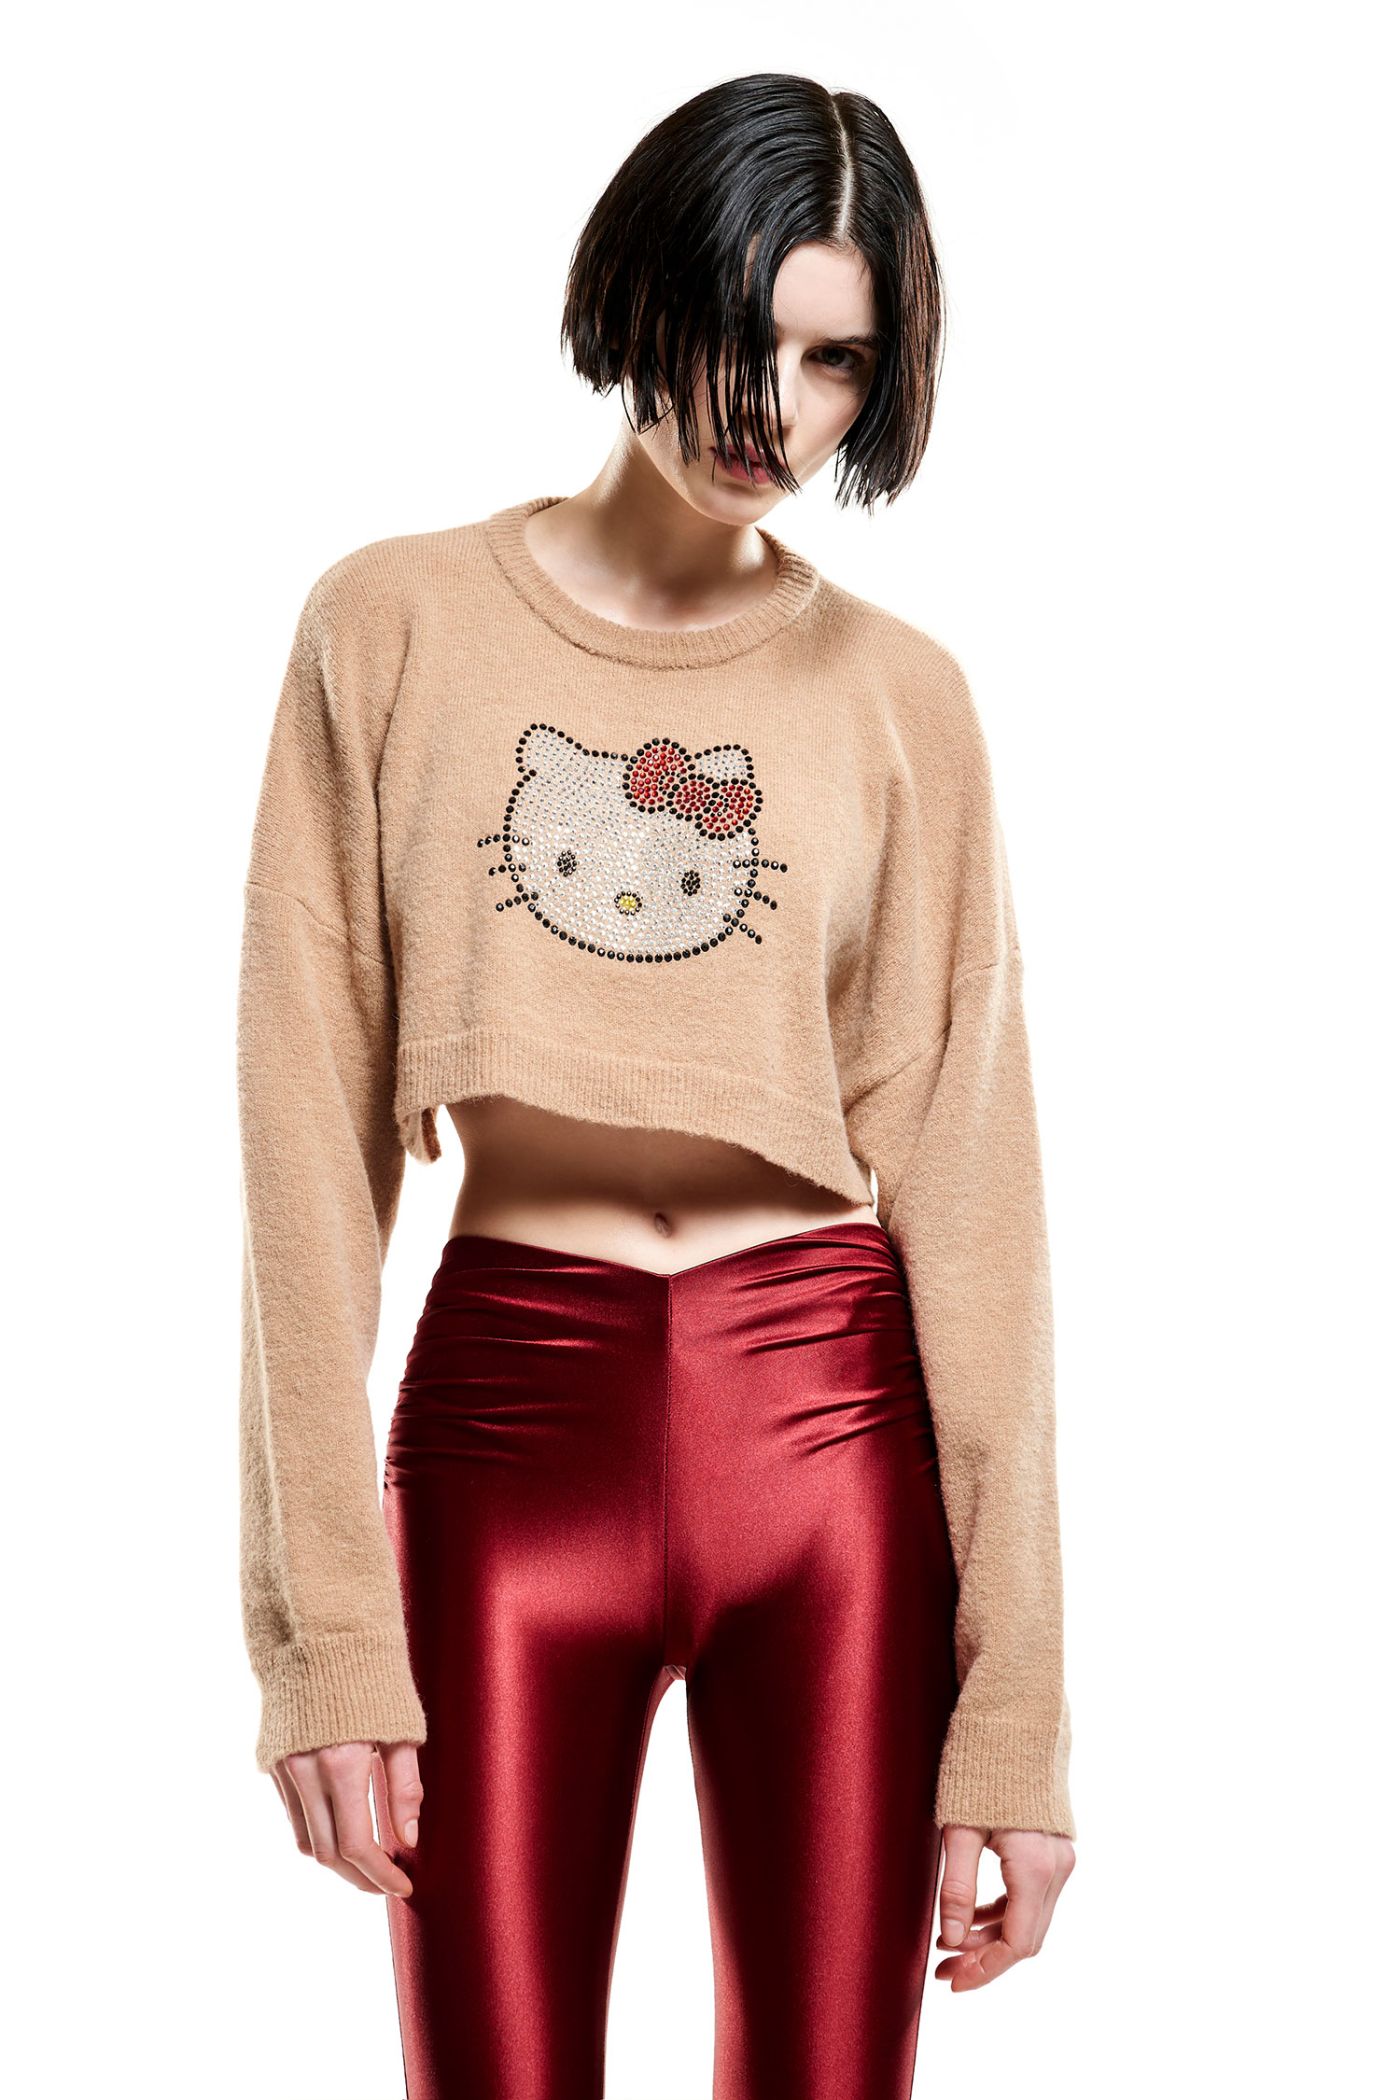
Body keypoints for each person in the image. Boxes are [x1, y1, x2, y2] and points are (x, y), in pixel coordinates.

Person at [236, 70, 1076, 2100]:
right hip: (509, 1420)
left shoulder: (905, 700)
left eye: (835, 360)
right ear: (639, 288)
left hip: (830, 1430)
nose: (771, 406)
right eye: (742, 328)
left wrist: (1018, 1719)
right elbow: (301, 1142)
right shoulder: (391, 625)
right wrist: (323, 1636)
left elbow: (974, 1196)